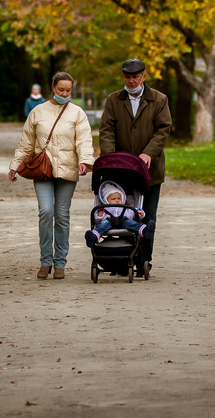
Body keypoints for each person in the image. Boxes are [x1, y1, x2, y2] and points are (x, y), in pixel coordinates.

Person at [10, 72, 95, 280]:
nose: (65, 94)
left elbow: (84, 140)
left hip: (67, 170)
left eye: (68, 91)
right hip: (43, 169)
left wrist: (85, 160)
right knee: (46, 212)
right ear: (53, 88)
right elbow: (27, 142)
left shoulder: (77, 113)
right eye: (61, 90)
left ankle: (60, 263)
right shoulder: (37, 112)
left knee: (63, 215)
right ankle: (45, 261)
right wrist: (15, 165)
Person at [98, 58, 172, 271]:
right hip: (121, 170)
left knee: (147, 215)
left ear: (143, 76)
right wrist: (109, 158)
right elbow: (106, 130)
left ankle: (144, 260)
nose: (131, 81)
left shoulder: (159, 100)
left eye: (135, 77)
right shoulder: (113, 100)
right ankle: (121, 259)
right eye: (128, 77)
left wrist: (149, 153)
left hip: (150, 170)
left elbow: (163, 129)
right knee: (120, 214)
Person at [84, 181, 154, 247]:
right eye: (113, 199)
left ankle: (145, 230)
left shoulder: (126, 207)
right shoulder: (104, 209)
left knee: (132, 223)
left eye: (119, 198)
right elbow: (98, 221)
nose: (117, 200)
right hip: (108, 222)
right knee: (102, 226)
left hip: (124, 221)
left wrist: (139, 213)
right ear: (106, 200)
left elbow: (133, 215)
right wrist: (99, 215)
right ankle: (93, 237)